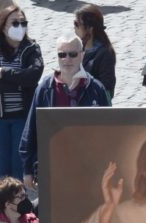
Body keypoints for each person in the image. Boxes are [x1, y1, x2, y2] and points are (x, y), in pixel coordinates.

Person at [19, 34, 110, 191]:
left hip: (89, 170)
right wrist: (27, 169)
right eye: (62, 54)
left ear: (82, 55)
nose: (67, 59)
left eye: (72, 54)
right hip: (54, 169)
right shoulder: (45, 88)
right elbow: (31, 129)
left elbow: (110, 131)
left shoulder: (96, 88)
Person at [0, 5, 42, 181]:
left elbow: (34, 74)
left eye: (23, 23)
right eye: (15, 23)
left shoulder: (31, 48)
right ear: (3, 25)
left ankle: (18, 204)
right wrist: (20, 84)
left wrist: (5, 73)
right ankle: (2, 205)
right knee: (2, 164)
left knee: (17, 163)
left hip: (22, 116)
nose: (20, 27)